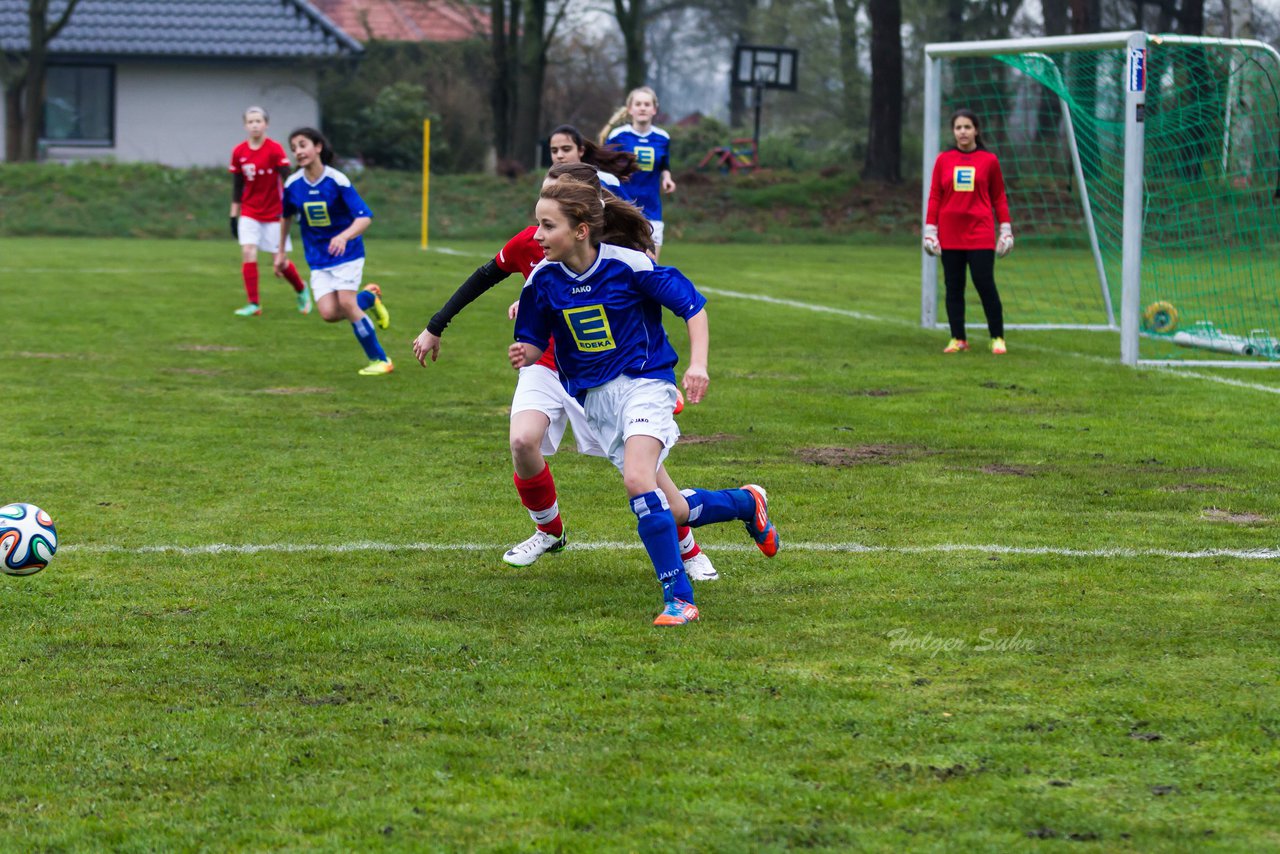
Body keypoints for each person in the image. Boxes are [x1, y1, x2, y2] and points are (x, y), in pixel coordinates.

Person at [411, 162, 717, 581]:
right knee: (522, 441)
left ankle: (690, 548)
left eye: (553, 205)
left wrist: (659, 378)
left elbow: (652, 308)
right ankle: (549, 531)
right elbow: (485, 277)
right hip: (547, 366)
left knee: (644, 479)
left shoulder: (615, 251)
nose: (538, 230)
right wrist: (439, 325)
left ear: (582, 218)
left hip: (604, 376)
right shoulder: (536, 253)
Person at [511, 179, 781, 626]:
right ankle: (745, 502)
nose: (535, 236)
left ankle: (680, 598)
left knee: (638, 481)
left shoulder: (630, 265)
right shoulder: (543, 279)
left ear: (580, 230)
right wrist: (526, 352)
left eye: (546, 225)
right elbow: (537, 341)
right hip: (596, 402)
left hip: (645, 384)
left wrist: (698, 365)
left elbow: (692, 307)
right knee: (672, 507)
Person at [275, 127, 393, 376]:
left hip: (347, 253)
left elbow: (364, 218)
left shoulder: (337, 180)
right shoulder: (293, 185)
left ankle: (381, 360)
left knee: (347, 304)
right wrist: (281, 252)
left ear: (318, 147)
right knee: (329, 313)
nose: (298, 151)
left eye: (303, 144)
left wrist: (343, 236)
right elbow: (285, 217)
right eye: (294, 147)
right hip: (317, 258)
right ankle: (370, 298)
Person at [923, 108, 1013, 355]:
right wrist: (930, 230)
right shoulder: (943, 160)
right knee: (953, 286)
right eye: (958, 127)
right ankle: (958, 338)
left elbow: (999, 197)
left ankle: (997, 337)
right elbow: (935, 196)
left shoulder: (989, 160)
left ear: (976, 130)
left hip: (980, 233)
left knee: (984, 284)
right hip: (950, 234)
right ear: (953, 132)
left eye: (967, 127)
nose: (962, 132)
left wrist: (1005, 229)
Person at [229, 107, 311, 317]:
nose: (255, 125)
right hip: (249, 211)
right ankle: (254, 304)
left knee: (280, 262)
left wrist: (295, 207)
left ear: (266, 124)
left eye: (258, 121)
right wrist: (233, 215)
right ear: (245, 125)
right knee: (248, 252)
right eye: (251, 121)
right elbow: (237, 186)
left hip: (275, 213)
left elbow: (288, 181)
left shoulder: (274, 149)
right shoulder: (239, 152)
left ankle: (301, 289)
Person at [598, 87, 676, 259]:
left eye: (647, 104)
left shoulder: (663, 137)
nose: (642, 108)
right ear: (630, 109)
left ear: (654, 110)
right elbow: (604, 168)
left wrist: (667, 178)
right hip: (623, 208)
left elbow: (664, 163)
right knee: (622, 266)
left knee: (650, 267)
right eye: (638, 104)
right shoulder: (618, 135)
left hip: (651, 210)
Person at [547, 124, 637, 191]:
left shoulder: (606, 180)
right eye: (554, 151)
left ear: (581, 151)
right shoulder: (549, 184)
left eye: (566, 149)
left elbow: (628, 212)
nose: (559, 156)